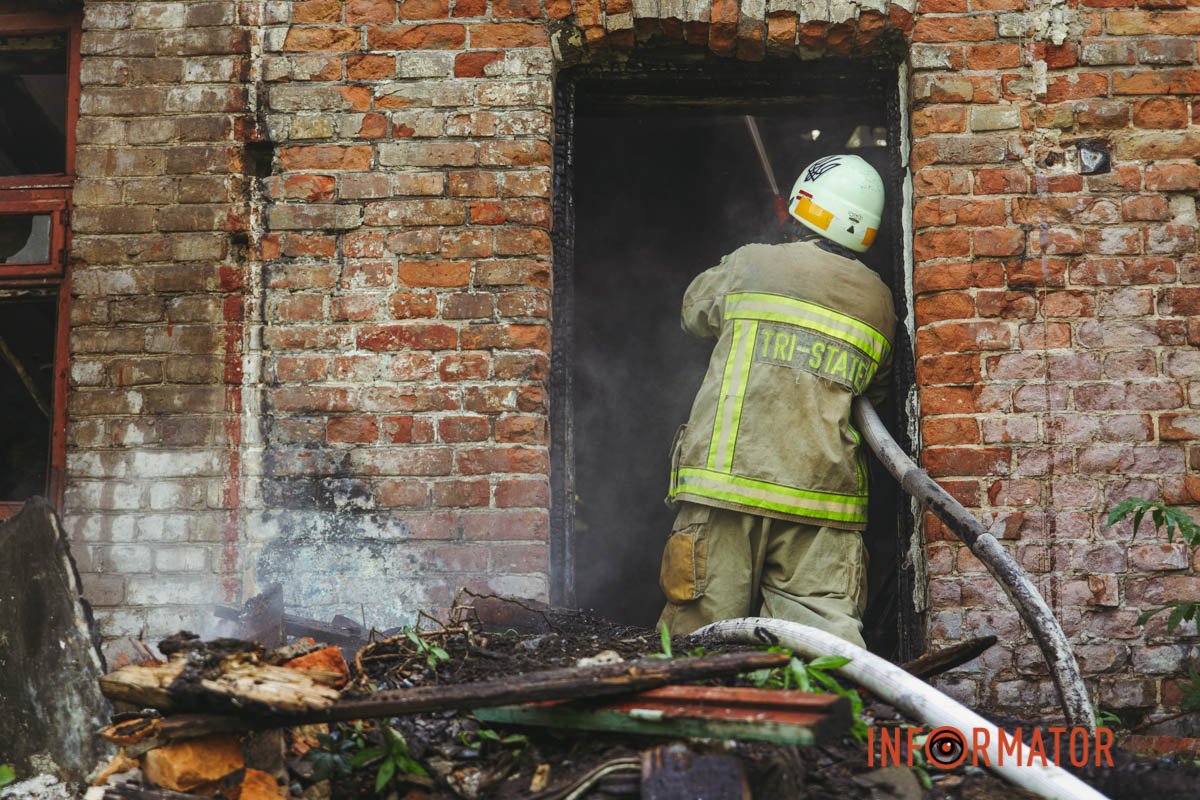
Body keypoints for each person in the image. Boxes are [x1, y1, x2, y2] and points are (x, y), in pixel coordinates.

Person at [657, 154, 897, 648]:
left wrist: (754, 254)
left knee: (701, 640)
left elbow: (692, 313)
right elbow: (877, 391)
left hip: (725, 487)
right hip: (823, 503)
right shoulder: (880, 301)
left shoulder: (751, 263)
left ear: (802, 205)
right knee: (823, 649)